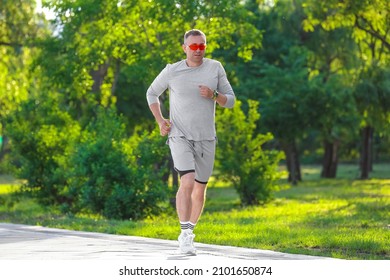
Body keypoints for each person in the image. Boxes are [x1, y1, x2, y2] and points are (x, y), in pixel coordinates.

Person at [146, 29, 235, 255]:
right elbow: (151, 93)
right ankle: (184, 235)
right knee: (186, 182)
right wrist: (160, 121)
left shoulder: (215, 68)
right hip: (179, 135)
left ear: (205, 46)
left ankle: (190, 230)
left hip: (206, 137)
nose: (198, 50)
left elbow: (231, 101)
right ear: (184, 48)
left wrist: (214, 95)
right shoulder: (172, 71)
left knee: (200, 188)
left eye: (201, 46)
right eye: (193, 46)